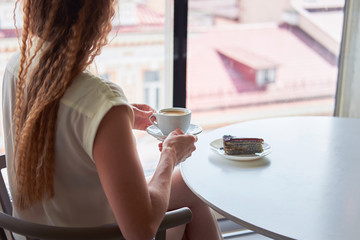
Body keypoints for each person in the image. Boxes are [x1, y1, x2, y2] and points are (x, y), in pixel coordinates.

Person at [2, 0, 222, 240]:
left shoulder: (18, 66)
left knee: (187, 194)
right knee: (194, 195)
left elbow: (59, 119)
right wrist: (169, 155)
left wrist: (115, 118)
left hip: (43, 231)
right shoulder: (102, 102)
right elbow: (140, 231)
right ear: (99, 20)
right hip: (102, 234)